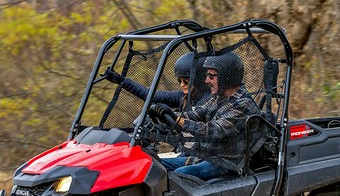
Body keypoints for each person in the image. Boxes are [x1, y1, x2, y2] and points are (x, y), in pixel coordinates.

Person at [103, 52, 210, 170]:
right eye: (180, 81)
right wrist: (122, 81)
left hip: (201, 156)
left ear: (198, 80)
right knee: (144, 162)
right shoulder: (183, 98)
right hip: (186, 151)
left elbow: (197, 122)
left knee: (151, 167)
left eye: (186, 81)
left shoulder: (210, 101)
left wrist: (173, 116)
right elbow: (151, 95)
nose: (182, 85)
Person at [170, 51, 262, 181]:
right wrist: (170, 115)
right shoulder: (218, 96)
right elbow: (197, 114)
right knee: (158, 164)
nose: (206, 80)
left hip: (224, 162)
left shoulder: (243, 105)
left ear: (227, 76)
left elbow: (214, 131)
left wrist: (181, 121)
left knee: (178, 175)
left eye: (212, 76)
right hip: (207, 156)